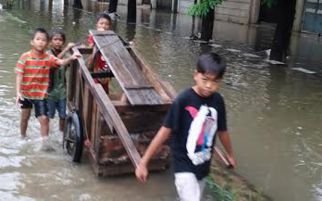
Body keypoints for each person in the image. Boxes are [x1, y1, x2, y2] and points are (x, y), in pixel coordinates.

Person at [135, 53, 236, 201]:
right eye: (205, 79)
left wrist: (230, 154)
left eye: (215, 82)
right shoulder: (183, 100)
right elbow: (164, 132)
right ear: (195, 75)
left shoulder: (218, 101)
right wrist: (143, 162)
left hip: (203, 161)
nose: (209, 85)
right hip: (183, 162)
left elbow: (222, 131)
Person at [15, 27, 80, 141]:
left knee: (44, 119)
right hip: (26, 94)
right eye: (38, 39)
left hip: (40, 96)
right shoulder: (25, 57)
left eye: (43, 40)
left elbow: (61, 62)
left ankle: (44, 143)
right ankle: (22, 137)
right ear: (32, 41)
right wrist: (18, 92)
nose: (40, 42)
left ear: (47, 43)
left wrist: (71, 58)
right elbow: (19, 75)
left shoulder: (48, 58)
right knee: (25, 118)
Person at [47, 30, 75, 132]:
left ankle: (61, 133)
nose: (58, 42)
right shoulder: (47, 54)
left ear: (63, 42)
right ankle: (47, 133)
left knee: (63, 115)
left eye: (60, 40)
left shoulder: (66, 54)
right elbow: (56, 61)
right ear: (50, 42)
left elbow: (71, 62)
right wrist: (67, 48)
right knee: (50, 115)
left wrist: (75, 53)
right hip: (50, 91)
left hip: (62, 91)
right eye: (55, 39)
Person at [87, 13, 112, 94]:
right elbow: (90, 46)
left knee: (106, 91)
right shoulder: (92, 35)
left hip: (106, 67)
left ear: (109, 27)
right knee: (97, 91)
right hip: (96, 67)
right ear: (96, 25)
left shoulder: (111, 37)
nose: (104, 26)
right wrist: (97, 35)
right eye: (101, 23)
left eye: (107, 24)